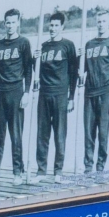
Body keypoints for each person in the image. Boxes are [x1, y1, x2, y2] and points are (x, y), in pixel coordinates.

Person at [0, 9, 36, 176]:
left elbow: (29, 70)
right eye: (7, 22)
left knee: (16, 134)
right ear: (4, 24)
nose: (10, 25)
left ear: (18, 23)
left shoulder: (23, 43)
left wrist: (27, 92)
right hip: (0, 91)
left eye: (13, 22)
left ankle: (17, 171)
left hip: (17, 91)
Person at [34, 9, 79, 176]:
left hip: (61, 95)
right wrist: (35, 59)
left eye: (56, 25)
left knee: (60, 135)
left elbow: (74, 73)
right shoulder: (43, 46)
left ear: (62, 27)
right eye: (50, 25)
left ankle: (58, 170)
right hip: (44, 94)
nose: (52, 28)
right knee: (42, 134)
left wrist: (71, 97)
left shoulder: (68, 46)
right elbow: (37, 71)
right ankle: (41, 169)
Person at [80, 7, 109, 173]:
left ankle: (100, 167)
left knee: (103, 133)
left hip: (106, 93)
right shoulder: (89, 44)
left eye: (104, 21)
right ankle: (88, 167)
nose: (101, 24)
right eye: (98, 21)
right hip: (89, 93)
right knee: (89, 133)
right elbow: (83, 69)